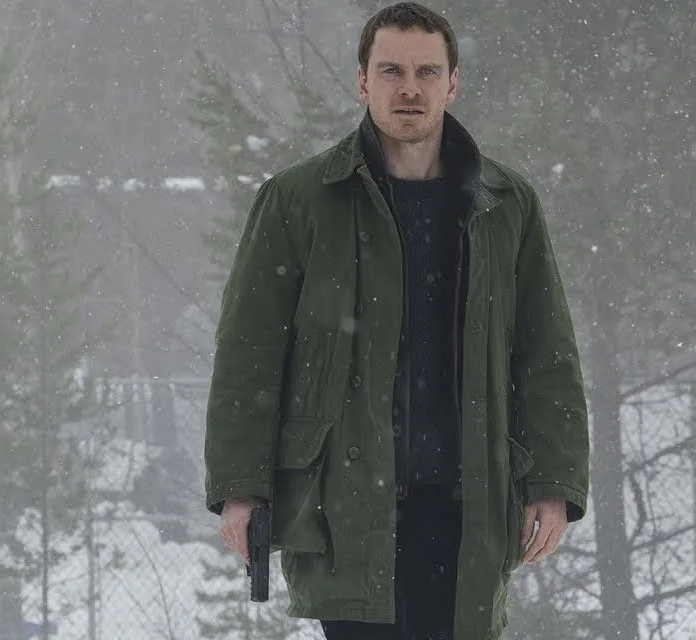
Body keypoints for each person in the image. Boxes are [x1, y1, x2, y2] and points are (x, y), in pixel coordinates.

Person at [203, 3, 589, 638]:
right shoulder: (300, 199)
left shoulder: (506, 204)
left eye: (426, 71)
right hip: (344, 504)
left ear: (452, 82)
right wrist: (241, 487)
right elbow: (249, 353)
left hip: (470, 506)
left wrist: (552, 482)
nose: (410, 87)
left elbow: (546, 353)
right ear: (362, 80)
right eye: (391, 70)